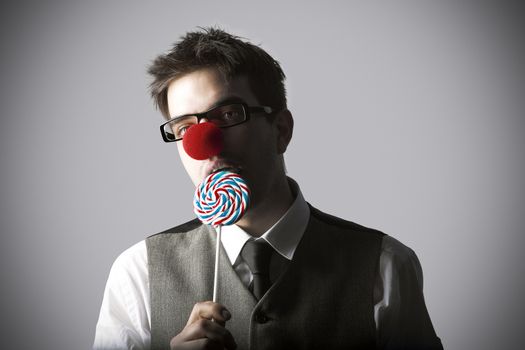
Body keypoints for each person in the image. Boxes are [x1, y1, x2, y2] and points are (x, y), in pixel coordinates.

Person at [94, 27, 443, 350]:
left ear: (281, 130)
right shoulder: (138, 274)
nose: (204, 142)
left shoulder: (384, 266)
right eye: (185, 127)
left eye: (229, 115)